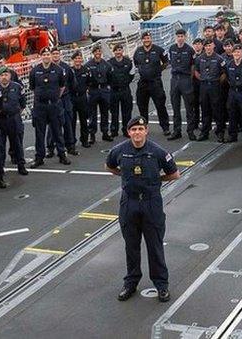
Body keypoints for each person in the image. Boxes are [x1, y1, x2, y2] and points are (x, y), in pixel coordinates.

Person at [106, 116, 180, 303]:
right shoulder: (119, 150)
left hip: (150, 203)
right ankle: (131, 283)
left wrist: (156, 181)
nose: (137, 133)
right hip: (129, 203)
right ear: (129, 132)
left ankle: (161, 285)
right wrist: (125, 176)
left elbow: (175, 174)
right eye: (134, 130)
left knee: (154, 245)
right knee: (131, 246)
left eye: (140, 129)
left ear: (146, 131)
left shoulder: (157, 152)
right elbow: (110, 166)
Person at [30, 47, 69, 166]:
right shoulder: (35, 71)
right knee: (39, 133)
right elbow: (32, 87)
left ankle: (62, 155)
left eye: (48, 54)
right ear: (41, 56)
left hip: (54, 105)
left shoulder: (58, 70)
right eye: (44, 54)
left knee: (57, 131)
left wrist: (55, 98)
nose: (46, 56)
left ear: (51, 56)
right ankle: (39, 158)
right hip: (40, 106)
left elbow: (62, 86)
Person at [133, 32, 171, 135]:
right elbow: (136, 63)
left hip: (155, 82)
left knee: (160, 105)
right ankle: (144, 127)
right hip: (143, 83)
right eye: (144, 38)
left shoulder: (159, 50)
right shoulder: (138, 51)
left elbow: (166, 62)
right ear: (142, 40)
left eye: (148, 38)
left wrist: (158, 70)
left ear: (151, 39)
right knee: (142, 106)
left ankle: (165, 127)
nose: (146, 40)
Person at [0, 67, 28, 176]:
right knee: (0, 146)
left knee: (17, 144)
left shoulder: (17, 87)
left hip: (14, 119)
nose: (4, 77)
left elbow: (23, 103)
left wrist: (15, 112)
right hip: (0, 120)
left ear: (10, 75)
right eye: (2, 75)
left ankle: (21, 165)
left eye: (6, 75)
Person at [193, 39, 226, 142]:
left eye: (210, 46)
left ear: (213, 46)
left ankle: (220, 131)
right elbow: (196, 72)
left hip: (215, 86)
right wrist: (203, 79)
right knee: (205, 109)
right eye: (206, 46)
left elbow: (224, 74)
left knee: (217, 109)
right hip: (203, 86)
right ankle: (205, 132)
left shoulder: (219, 59)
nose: (208, 48)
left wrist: (215, 81)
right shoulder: (200, 58)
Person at [167, 29, 197, 140]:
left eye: (182, 36)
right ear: (176, 37)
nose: (180, 38)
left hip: (185, 79)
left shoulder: (190, 50)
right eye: (178, 36)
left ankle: (190, 131)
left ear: (185, 37)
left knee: (189, 107)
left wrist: (190, 77)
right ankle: (176, 131)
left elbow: (193, 65)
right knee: (175, 107)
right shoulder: (172, 48)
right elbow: (170, 62)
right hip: (175, 79)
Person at [85, 46, 114, 143]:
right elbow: (86, 79)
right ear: (93, 53)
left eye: (99, 51)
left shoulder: (106, 64)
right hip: (93, 90)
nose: (98, 53)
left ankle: (105, 132)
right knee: (92, 114)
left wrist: (108, 87)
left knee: (105, 113)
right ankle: (92, 134)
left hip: (104, 90)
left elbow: (110, 77)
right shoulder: (88, 65)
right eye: (96, 51)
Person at [108, 43, 135, 138]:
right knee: (114, 112)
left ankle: (126, 130)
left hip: (125, 90)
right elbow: (107, 76)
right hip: (114, 91)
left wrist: (126, 82)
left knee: (127, 111)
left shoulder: (128, 62)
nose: (118, 52)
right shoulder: (109, 63)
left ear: (122, 51)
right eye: (116, 50)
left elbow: (132, 74)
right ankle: (114, 131)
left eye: (120, 50)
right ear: (114, 52)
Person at [68, 51, 92, 148]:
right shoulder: (70, 71)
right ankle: (72, 141)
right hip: (72, 97)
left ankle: (85, 140)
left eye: (79, 58)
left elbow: (89, 83)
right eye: (76, 59)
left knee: (84, 120)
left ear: (82, 60)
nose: (78, 60)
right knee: (72, 121)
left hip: (82, 97)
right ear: (73, 60)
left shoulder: (86, 70)